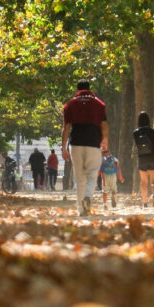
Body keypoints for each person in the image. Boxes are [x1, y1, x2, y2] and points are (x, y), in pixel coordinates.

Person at [61, 79, 109, 215]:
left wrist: (63, 147)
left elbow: (66, 127)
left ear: (77, 89)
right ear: (89, 88)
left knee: (79, 177)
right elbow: (104, 125)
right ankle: (88, 197)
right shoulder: (99, 104)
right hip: (93, 143)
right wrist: (105, 140)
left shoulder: (70, 104)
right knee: (92, 174)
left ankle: (80, 209)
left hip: (75, 143)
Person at [132, 111, 154, 207]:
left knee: (143, 182)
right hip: (153, 158)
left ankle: (145, 202)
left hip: (142, 158)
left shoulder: (136, 132)